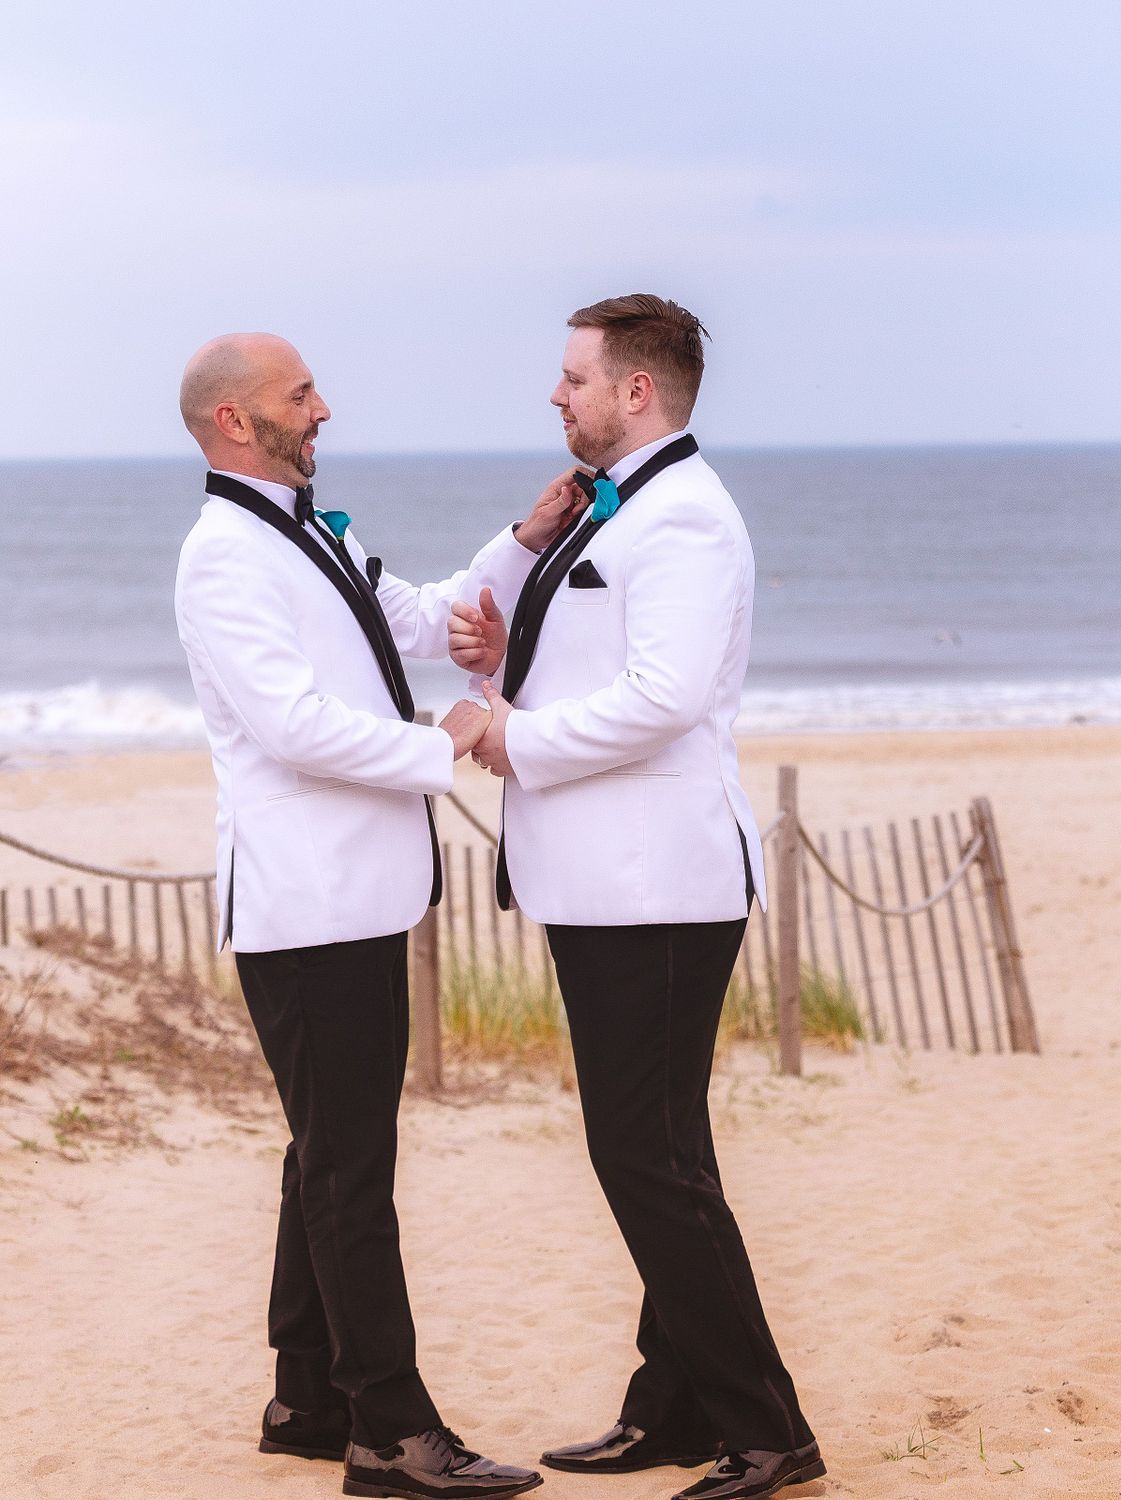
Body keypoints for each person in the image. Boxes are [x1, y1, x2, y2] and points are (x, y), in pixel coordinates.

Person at [175, 332, 583, 1499]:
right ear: (236, 423)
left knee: (327, 1149)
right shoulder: (220, 560)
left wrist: (522, 543)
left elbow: (425, 620)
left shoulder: (323, 531)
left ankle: (305, 1396)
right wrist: (438, 743)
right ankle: (390, 1437)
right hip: (304, 906)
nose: (324, 409)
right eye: (301, 396)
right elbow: (294, 726)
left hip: (358, 895)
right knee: (353, 1164)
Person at [451, 297, 825, 1500]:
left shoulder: (687, 523)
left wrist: (520, 738)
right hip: (607, 882)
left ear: (637, 393)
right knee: (665, 1152)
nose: (555, 396)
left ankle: (770, 1433)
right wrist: (505, 659)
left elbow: (663, 697)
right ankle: (667, 1407)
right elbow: (584, 657)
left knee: (644, 1158)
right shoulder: (617, 504)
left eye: (573, 379)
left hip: (657, 885)